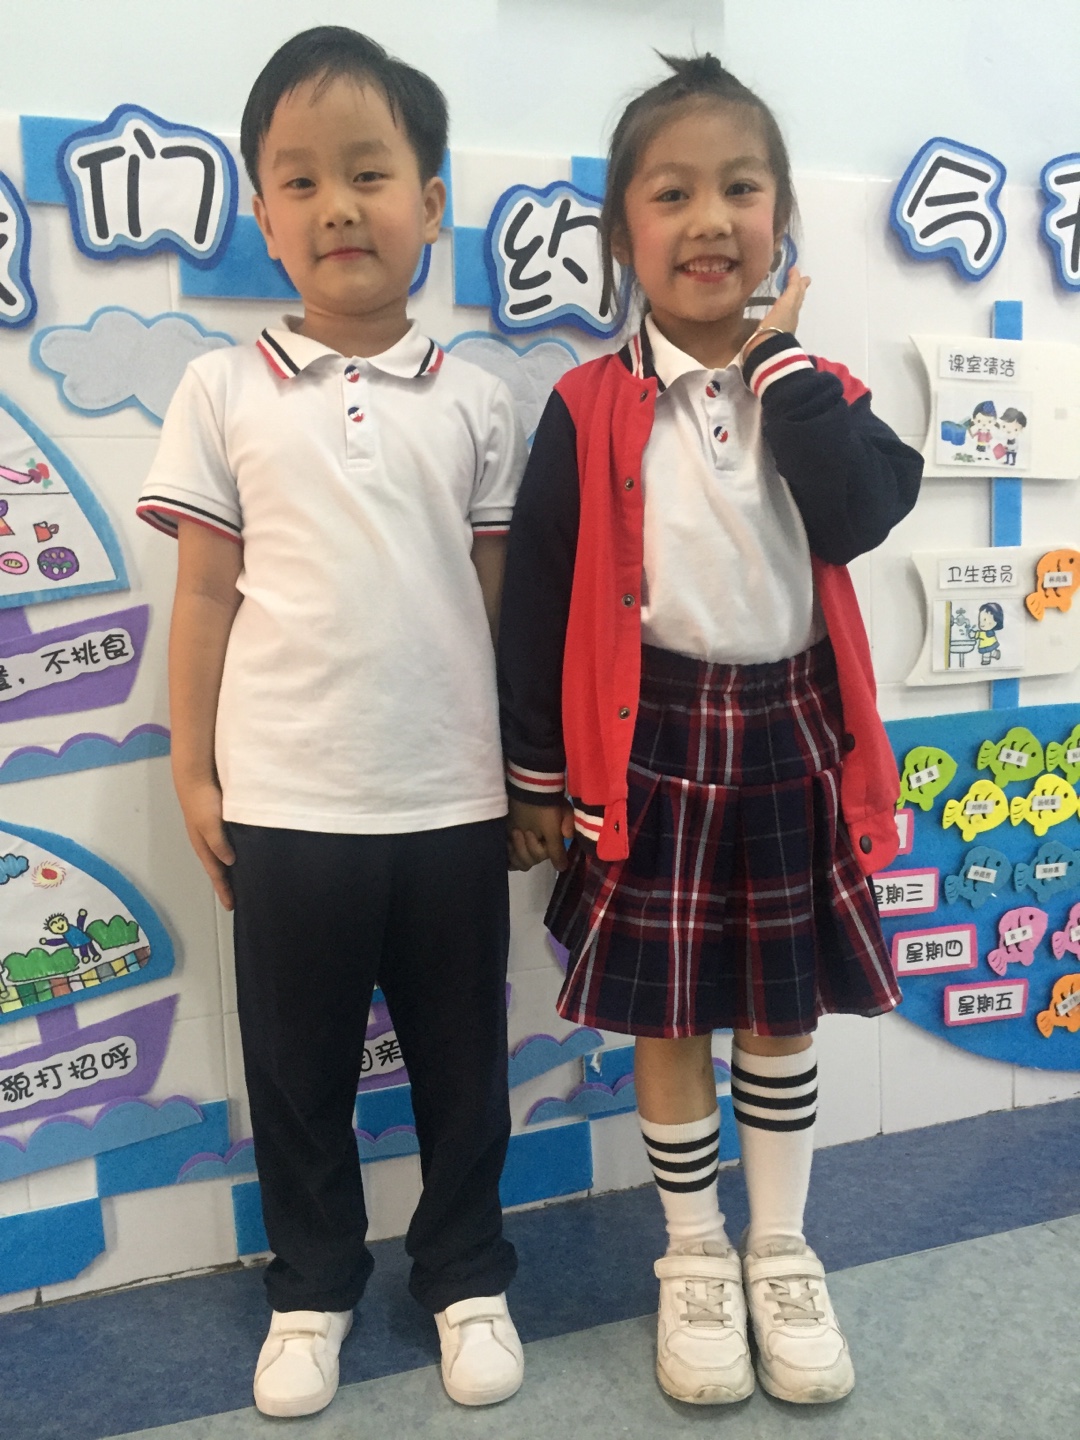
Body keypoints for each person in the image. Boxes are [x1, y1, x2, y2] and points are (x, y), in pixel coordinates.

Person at [499, 53, 922, 1408]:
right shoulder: (585, 403)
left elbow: (860, 514)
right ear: (624, 233)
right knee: (670, 1013)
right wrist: (535, 774)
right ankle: (693, 1254)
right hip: (651, 745)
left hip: (792, 734)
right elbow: (541, 594)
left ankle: (780, 1248)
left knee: (781, 1011)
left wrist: (784, 367)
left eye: (740, 188)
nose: (709, 219)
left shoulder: (818, 386)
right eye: (671, 193)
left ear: (780, 215)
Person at [137, 26, 527, 1420]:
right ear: (262, 214)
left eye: (370, 172)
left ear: (432, 202)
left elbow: (497, 602)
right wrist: (193, 771)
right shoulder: (221, 389)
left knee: (462, 1063)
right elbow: (203, 595)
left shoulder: (478, 400)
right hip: (287, 801)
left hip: (451, 798)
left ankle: (466, 1274)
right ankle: (310, 1288)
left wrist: (526, 773)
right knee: (297, 1073)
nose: (338, 206)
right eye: (299, 180)